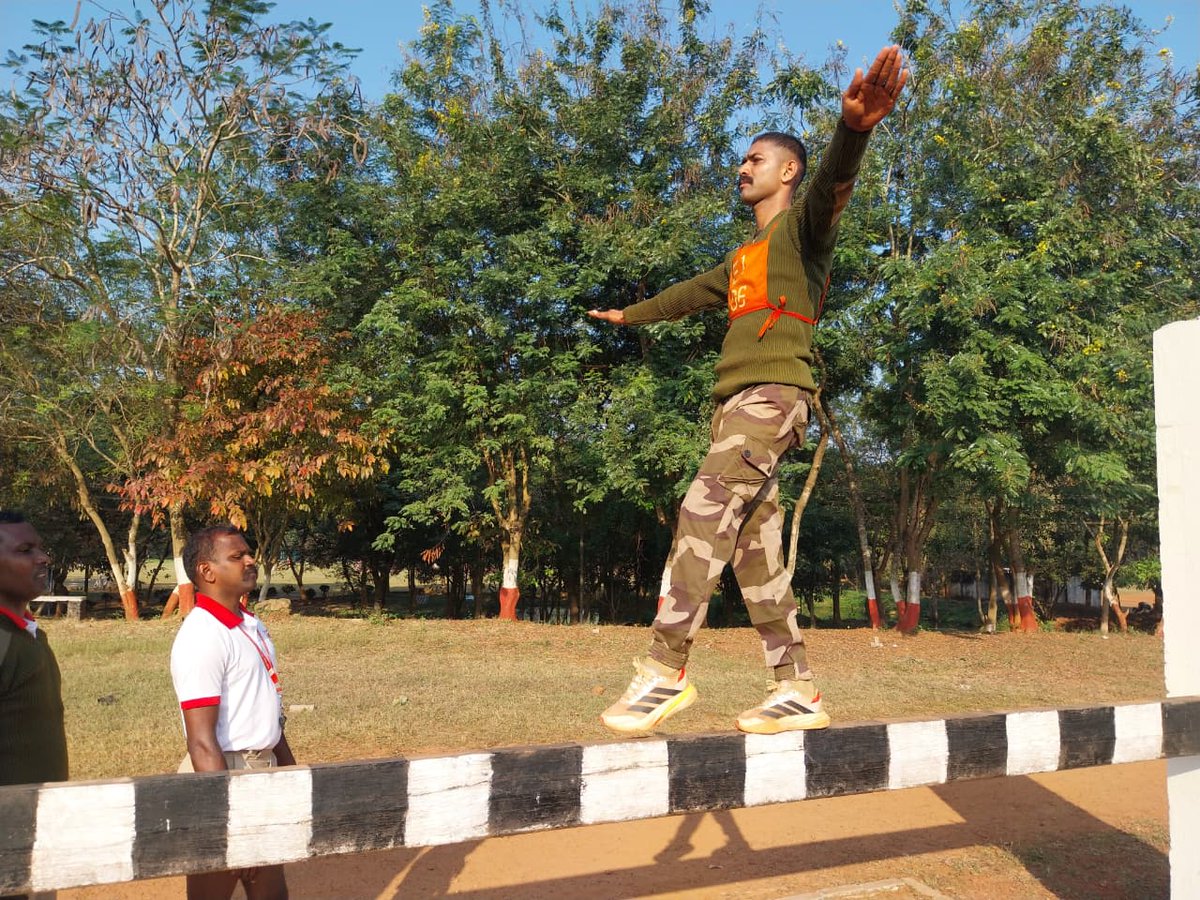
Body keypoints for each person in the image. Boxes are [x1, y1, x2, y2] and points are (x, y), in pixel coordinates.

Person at [589, 45, 908, 735]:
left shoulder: (803, 232)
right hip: (736, 406)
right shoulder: (741, 260)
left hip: (773, 396)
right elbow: (685, 295)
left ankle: (664, 668)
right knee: (756, 554)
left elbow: (833, 186)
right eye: (741, 160)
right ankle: (796, 689)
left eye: (755, 159)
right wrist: (629, 315)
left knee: (702, 510)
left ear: (787, 171)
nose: (742, 168)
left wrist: (853, 131)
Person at [170, 524, 295, 900]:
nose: (250, 560)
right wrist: (230, 823)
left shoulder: (249, 624)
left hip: (260, 768)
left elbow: (266, 709)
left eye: (249, 553)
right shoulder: (202, 635)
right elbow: (201, 741)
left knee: (271, 891)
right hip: (223, 774)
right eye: (237, 556)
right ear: (207, 571)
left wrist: (289, 776)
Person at [0, 510, 68, 785]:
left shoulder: (30, 634)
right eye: (25, 550)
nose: (43, 558)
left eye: (40, 548)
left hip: (43, 807)